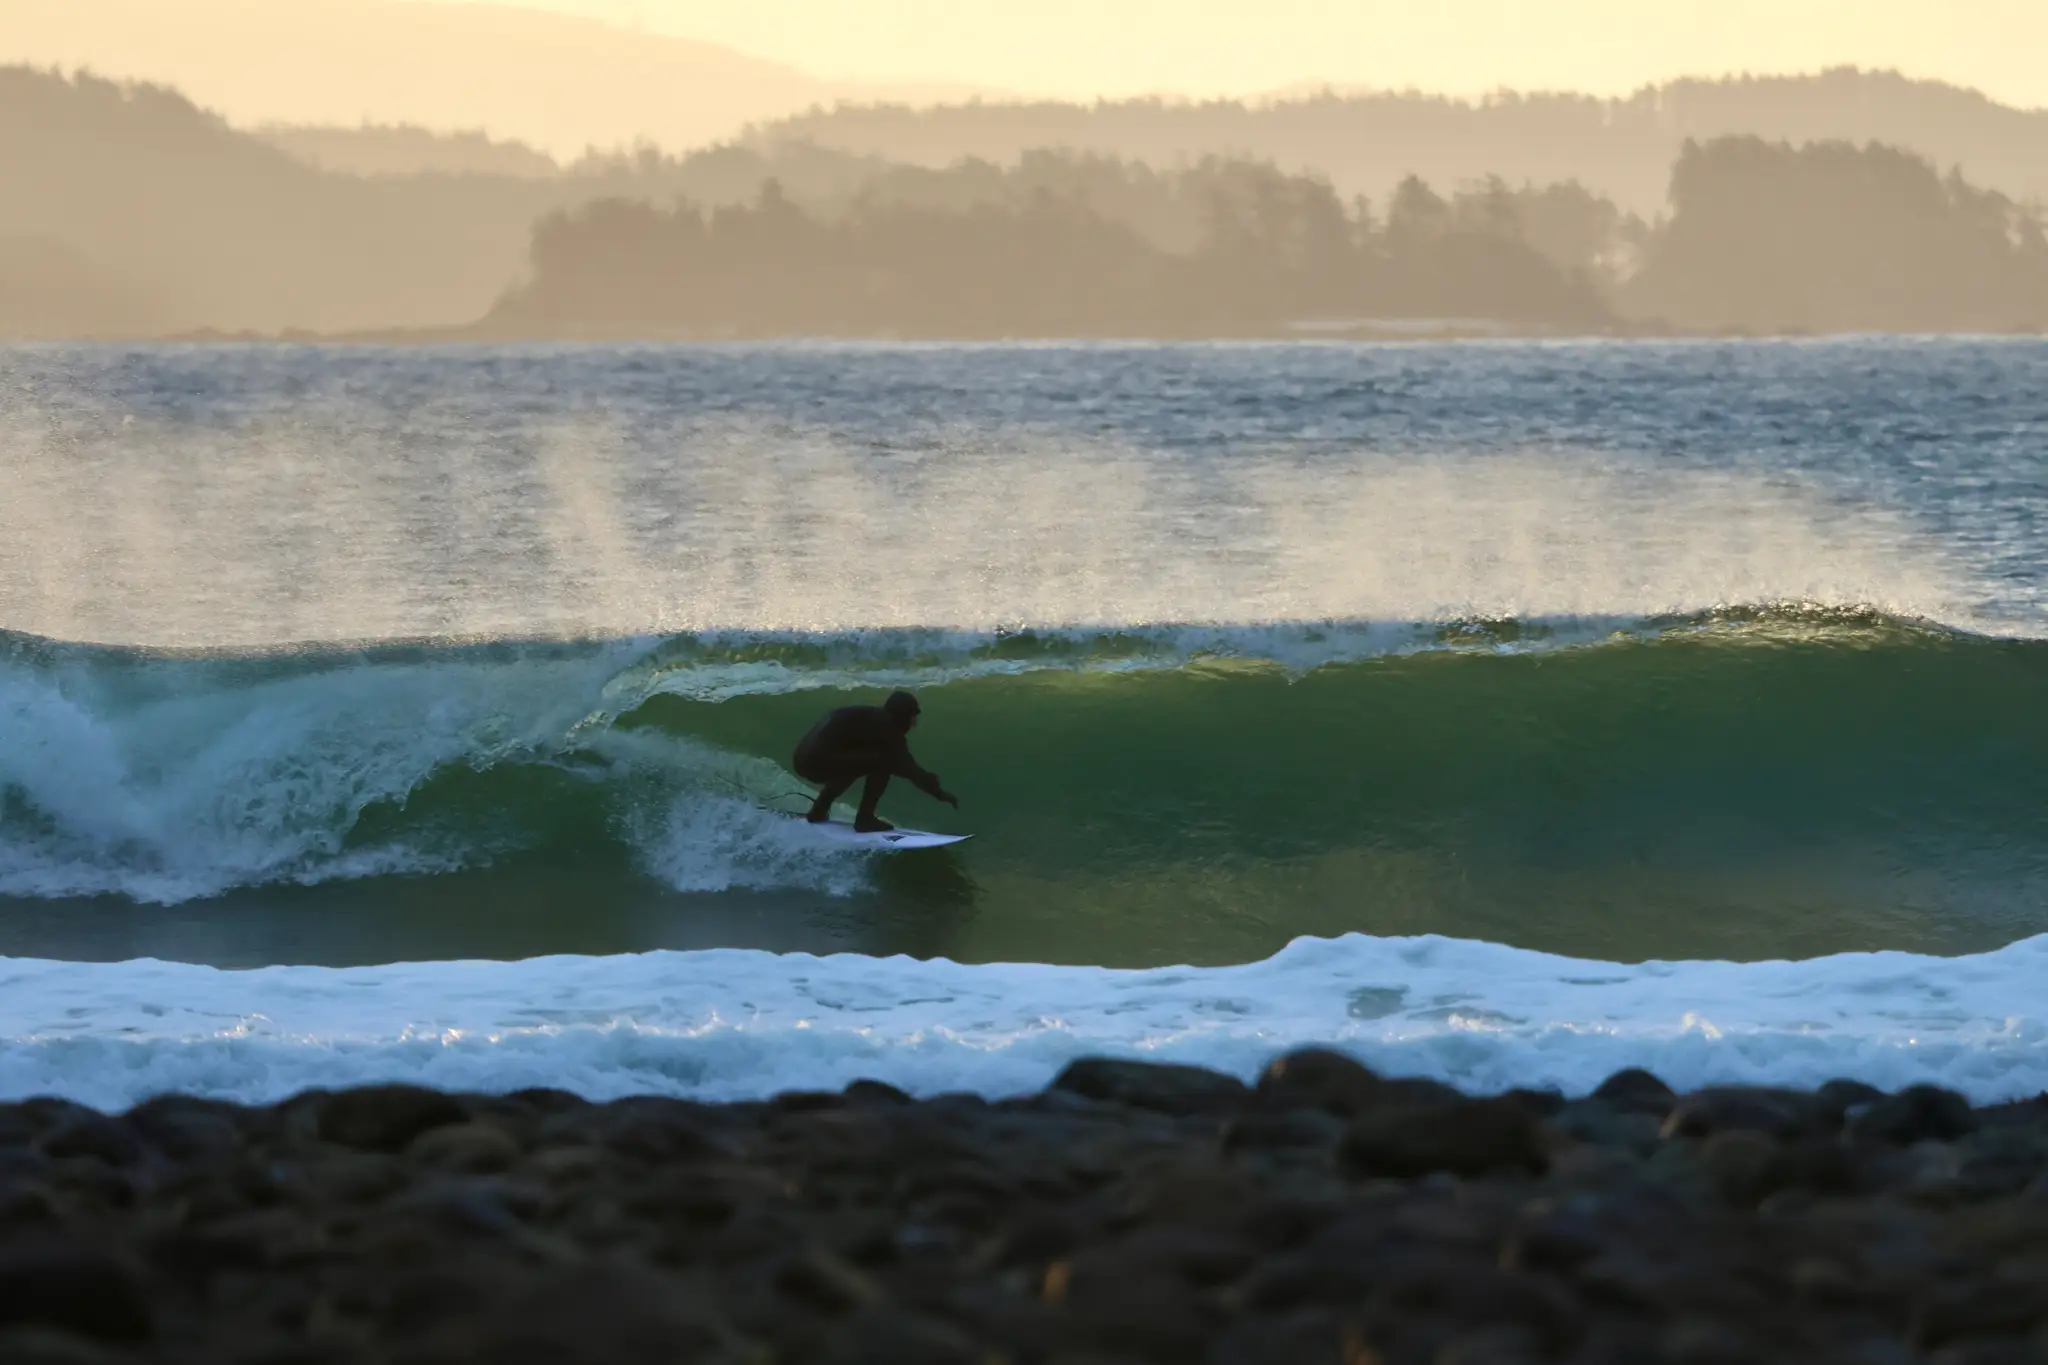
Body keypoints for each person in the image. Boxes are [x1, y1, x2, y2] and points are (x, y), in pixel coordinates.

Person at [792, 690, 959, 833]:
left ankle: (818, 811)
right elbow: (908, 769)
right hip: (817, 760)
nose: (914, 724)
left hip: (803, 758)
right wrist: (939, 794)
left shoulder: (872, 718)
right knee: (882, 762)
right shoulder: (888, 728)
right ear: (902, 715)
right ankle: (865, 819)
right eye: (912, 716)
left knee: (857, 763)